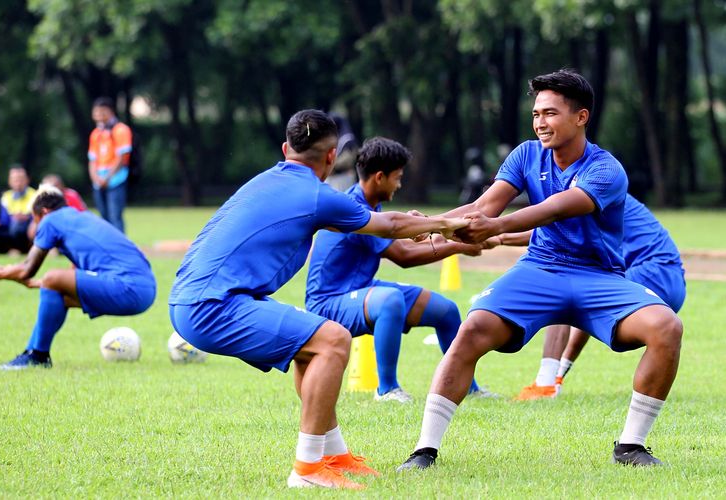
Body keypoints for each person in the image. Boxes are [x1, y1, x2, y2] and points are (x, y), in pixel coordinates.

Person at [396, 70, 683, 471]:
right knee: (471, 330)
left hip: (598, 278)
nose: (540, 123)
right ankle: (424, 451)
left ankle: (631, 446)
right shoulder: (526, 154)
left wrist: (496, 227)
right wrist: (430, 223)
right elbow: (484, 206)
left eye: (550, 113)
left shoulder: (607, 169)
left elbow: (558, 207)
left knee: (667, 327)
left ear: (581, 117)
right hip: (539, 270)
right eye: (536, 114)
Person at [168, 110, 469, 490]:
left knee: (311, 345)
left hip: (190, 297)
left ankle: (333, 454)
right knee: (334, 338)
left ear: (285, 149)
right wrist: (445, 224)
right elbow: (390, 227)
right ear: (331, 158)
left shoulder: (267, 181)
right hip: (213, 306)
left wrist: (423, 223)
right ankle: (307, 469)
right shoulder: (315, 195)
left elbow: (386, 224)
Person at [306, 136, 494, 403]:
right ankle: (387, 389)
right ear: (380, 177)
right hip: (328, 301)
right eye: (397, 177)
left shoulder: (371, 205)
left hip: (360, 290)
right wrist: (459, 247)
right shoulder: (355, 210)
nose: (400, 184)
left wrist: (441, 233)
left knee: (447, 311)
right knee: (390, 301)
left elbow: (400, 235)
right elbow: (403, 256)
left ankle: (469, 389)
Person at [511, 193, 686, 399]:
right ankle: (553, 381)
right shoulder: (605, 190)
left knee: (564, 285)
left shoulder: (591, 193)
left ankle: (545, 384)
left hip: (652, 271)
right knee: (579, 297)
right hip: (673, 279)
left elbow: (553, 231)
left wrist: (497, 237)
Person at [0, 185, 156, 370]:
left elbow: (27, 270)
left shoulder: (51, 220)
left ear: (44, 213)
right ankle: (32, 353)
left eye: (34, 220)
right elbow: (67, 278)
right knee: (56, 294)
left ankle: (38, 356)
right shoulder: (79, 218)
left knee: (52, 276)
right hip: (145, 290)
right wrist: (40, 283)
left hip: (128, 286)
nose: (35, 227)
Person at [88, 96, 132, 233]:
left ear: (110, 111)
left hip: (115, 179)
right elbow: (92, 159)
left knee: (115, 216)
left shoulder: (121, 130)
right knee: (103, 217)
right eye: (96, 112)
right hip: (98, 180)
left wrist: (107, 178)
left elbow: (122, 157)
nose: (99, 115)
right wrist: (95, 178)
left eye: (102, 112)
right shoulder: (96, 133)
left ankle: (120, 249)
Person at [1, 165, 36, 252]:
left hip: (28, 226)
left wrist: (27, 217)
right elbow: (3, 220)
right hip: (11, 225)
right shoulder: (6, 196)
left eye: (21, 179)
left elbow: (39, 215)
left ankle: (24, 249)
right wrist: (12, 217)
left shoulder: (35, 195)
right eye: (15, 180)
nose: (18, 183)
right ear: (10, 181)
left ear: (27, 180)